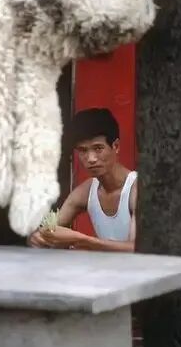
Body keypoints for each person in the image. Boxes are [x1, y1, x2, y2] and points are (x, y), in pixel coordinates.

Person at [29, 108, 137, 252]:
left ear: (115, 146)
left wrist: (84, 240)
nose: (91, 158)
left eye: (98, 148)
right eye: (83, 150)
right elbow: (48, 228)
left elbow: (137, 249)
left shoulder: (136, 188)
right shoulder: (86, 191)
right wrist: (39, 238)